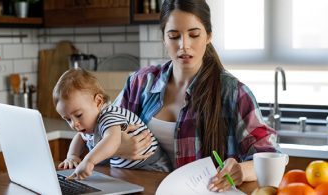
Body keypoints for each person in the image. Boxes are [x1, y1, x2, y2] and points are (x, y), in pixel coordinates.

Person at [112, 0, 280, 192]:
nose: (184, 45)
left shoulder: (234, 93)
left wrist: (241, 170)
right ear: (164, 39)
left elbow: (270, 157)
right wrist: (117, 146)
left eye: (194, 34)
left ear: (208, 36)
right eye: (174, 36)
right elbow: (95, 130)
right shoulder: (140, 83)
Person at [53, 69, 171, 180]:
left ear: (98, 102)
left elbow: (112, 140)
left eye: (78, 115)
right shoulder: (88, 126)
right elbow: (80, 137)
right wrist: (72, 156)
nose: (74, 124)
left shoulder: (109, 116)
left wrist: (88, 161)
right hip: (129, 171)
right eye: (68, 119)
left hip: (154, 168)